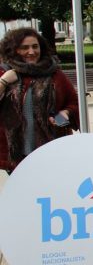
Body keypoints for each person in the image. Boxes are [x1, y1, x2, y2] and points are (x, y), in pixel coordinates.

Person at [0, 28, 79, 173]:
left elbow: (74, 102)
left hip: (52, 150)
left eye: (35, 46)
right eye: (24, 48)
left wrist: (64, 115)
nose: (31, 52)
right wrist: (4, 81)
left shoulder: (55, 74)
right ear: (13, 50)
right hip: (17, 152)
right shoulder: (4, 72)